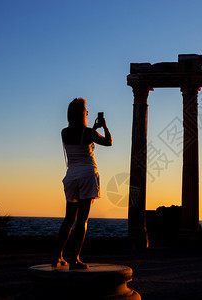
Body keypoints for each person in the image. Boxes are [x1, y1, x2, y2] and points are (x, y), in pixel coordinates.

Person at [53, 98, 112, 270]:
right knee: (82, 219)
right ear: (82, 114)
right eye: (86, 111)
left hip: (71, 177)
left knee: (69, 218)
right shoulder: (88, 133)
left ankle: (57, 256)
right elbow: (108, 142)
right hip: (87, 175)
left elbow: (83, 140)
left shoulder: (64, 132)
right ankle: (75, 259)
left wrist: (93, 129)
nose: (87, 113)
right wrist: (105, 126)